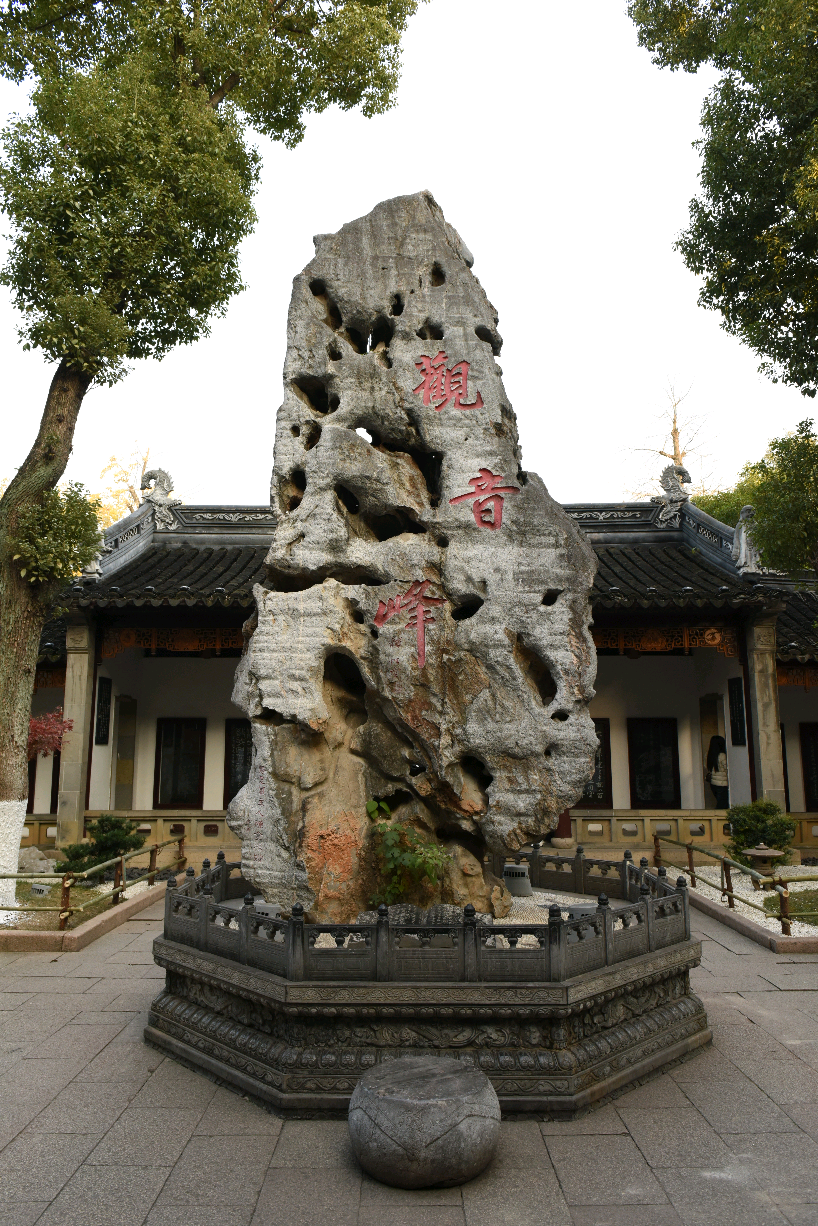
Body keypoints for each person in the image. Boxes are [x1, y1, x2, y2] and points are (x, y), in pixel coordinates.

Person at [706, 735, 729, 808]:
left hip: (713, 783)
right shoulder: (722, 756)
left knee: (721, 803)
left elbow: (706, 766)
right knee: (723, 804)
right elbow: (727, 769)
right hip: (722, 784)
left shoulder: (708, 755)